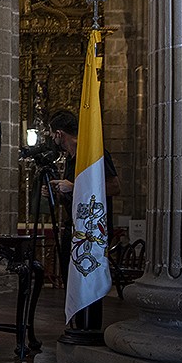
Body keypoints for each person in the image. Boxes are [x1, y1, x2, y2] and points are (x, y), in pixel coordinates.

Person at [44, 108, 121, 334]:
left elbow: (114, 187)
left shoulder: (94, 153)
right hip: (74, 227)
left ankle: (90, 329)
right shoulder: (70, 159)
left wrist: (72, 186)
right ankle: (77, 327)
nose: (52, 140)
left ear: (59, 134)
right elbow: (78, 198)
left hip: (92, 232)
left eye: (52, 135)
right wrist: (58, 193)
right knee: (73, 281)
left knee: (89, 280)